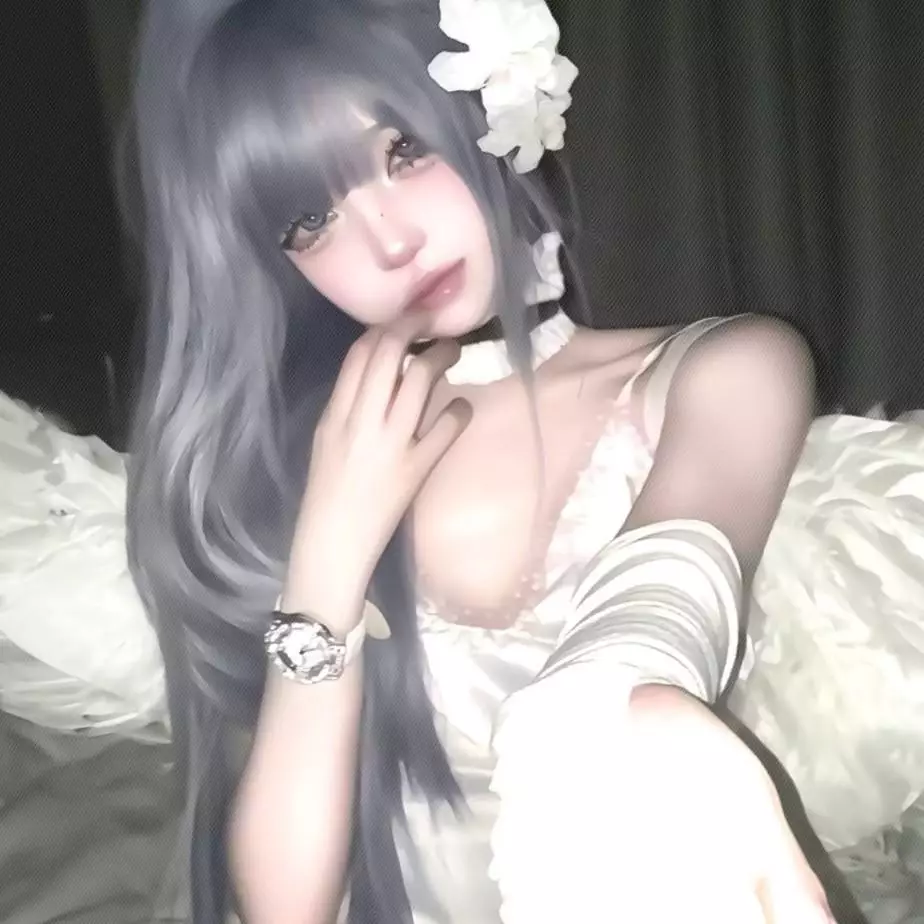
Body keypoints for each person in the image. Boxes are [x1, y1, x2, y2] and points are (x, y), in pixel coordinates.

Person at [2, 0, 923, 921]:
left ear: (490, 110)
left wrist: (626, 710)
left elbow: (660, 602)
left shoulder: (729, 366)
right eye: (310, 219)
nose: (390, 241)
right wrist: (330, 548)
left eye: (404, 151)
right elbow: (285, 906)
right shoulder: (296, 460)